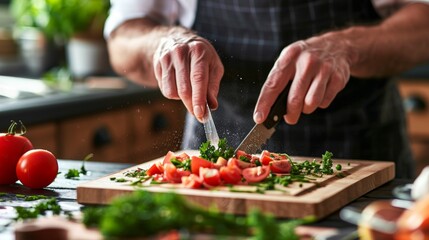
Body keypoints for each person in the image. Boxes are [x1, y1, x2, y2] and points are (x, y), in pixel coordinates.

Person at [104, 0, 429, 179]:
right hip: (217, 149)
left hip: (361, 149)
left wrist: (348, 47)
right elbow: (123, 39)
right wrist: (163, 42)